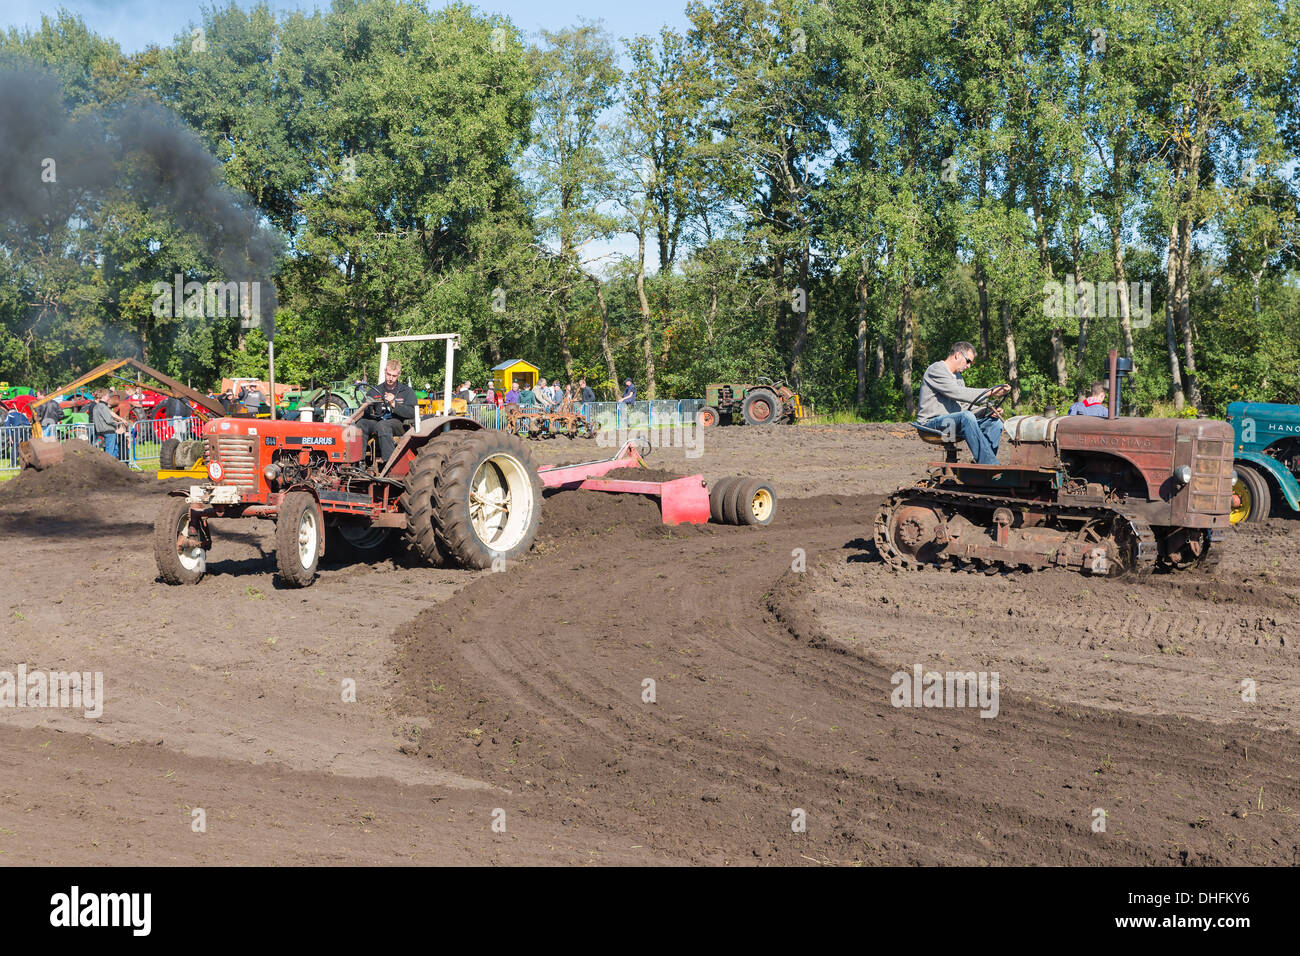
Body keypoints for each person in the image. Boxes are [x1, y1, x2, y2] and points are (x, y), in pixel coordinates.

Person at [917, 341, 1010, 466]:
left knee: (994, 423)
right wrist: (990, 392)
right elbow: (958, 393)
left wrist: (987, 411)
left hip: (951, 423)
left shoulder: (958, 376)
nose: (969, 366)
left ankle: (982, 465)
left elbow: (963, 406)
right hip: (931, 424)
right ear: (957, 355)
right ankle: (991, 466)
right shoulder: (936, 370)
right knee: (966, 417)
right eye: (968, 361)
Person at [356, 359, 416, 464]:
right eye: (388, 375)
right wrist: (368, 406)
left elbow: (412, 412)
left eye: (394, 376)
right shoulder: (375, 390)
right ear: (385, 371)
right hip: (378, 421)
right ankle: (359, 462)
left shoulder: (406, 391)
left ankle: (389, 464)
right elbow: (364, 411)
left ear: (399, 375)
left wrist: (394, 404)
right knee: (361, 424)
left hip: (398, 423)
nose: (390, 378)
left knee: (383, 425)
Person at [89, 390, 128, 460]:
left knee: (115, 449)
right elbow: (109, 420)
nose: (109, 397)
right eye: (107, 395)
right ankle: (109, 465)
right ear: (103, 397)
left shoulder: (97, 406)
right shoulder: (102, 406)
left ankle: (113, 464)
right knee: (110, 451)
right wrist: (117, 426)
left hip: (102, 430)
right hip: (108, 431)